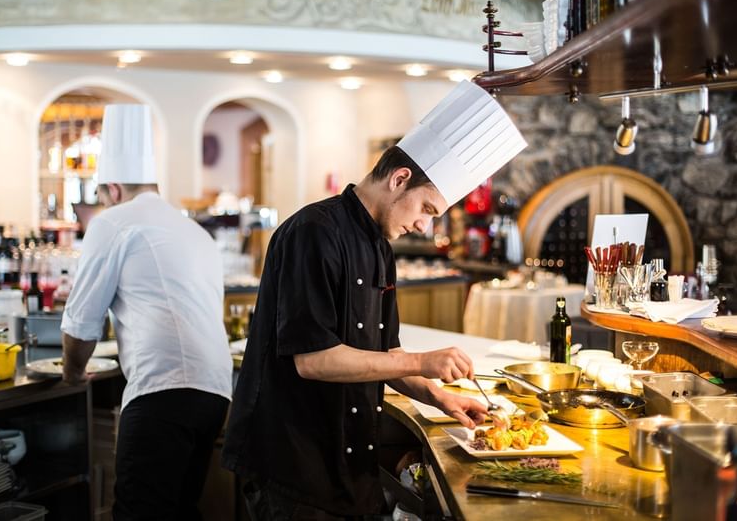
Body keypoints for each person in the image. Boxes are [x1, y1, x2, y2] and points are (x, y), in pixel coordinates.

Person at [221, 80, 528, 520]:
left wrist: (441, 398)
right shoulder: (314, 232)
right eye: (427, 209)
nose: (425, 225)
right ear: (399, 179)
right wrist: (423, 363)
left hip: (349, 460)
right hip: (294, 465)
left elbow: (386, 354)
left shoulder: (382, 246)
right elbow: (314, 360)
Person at [61, 104, 232, 521]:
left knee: (140, 512)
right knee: (180, 509)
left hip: (163, 391)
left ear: (113, 189)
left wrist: (71, 372)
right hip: (215, 393)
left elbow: (82, 320)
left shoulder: (113, 223)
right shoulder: (195, 231)